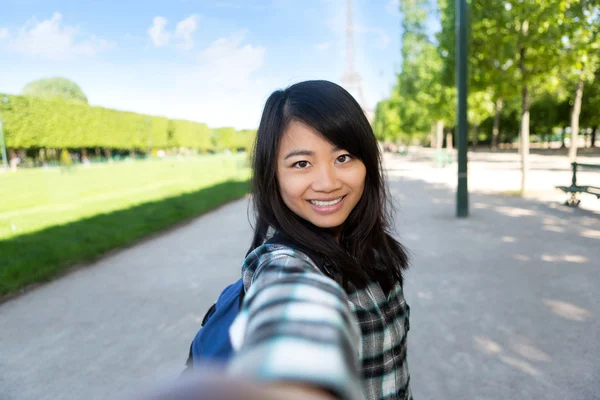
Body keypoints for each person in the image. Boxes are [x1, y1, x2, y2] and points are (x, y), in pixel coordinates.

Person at [146, 80, 412, 400]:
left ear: (366, 163)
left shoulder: (373, 250)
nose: (327, 182)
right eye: (302, 163)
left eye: (343, 158)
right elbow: (290, 312)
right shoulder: (283, 264)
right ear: (273, 174)